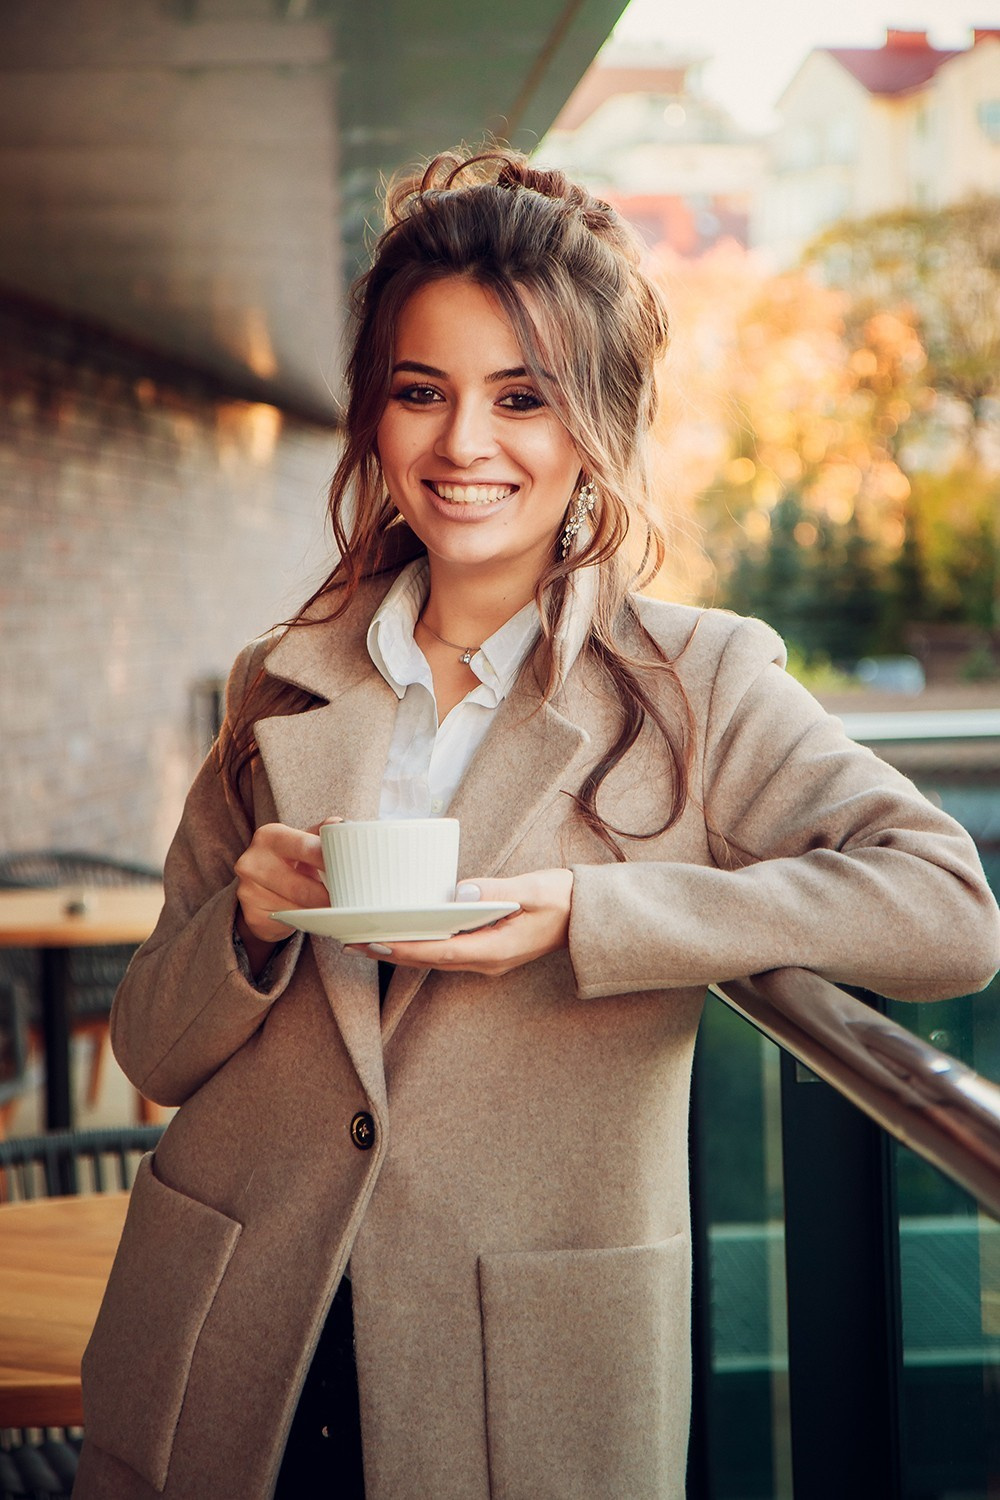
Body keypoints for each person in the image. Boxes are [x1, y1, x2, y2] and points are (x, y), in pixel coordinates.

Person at [75, 148, 1000, 1500]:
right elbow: (154, 1047)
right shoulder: (279, 681)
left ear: (596, 426)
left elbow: (946, 910)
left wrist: (606, 916)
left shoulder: (697, 684)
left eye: (522, 398)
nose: (463, 446)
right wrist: (250, 923)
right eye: (421, 394)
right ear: (375, 420)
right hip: (232, 1334)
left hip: (514, 1367)